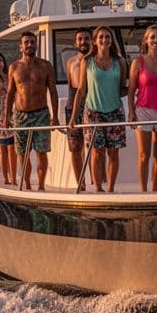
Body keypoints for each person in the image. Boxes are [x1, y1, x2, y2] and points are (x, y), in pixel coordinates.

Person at [68, 26, 127, 192]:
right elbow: (80, 90)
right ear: (95, 40)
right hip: (93, 112)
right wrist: (73, 117)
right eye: (101, 37)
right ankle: (99, 188)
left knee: (113, 153)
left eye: (107, 37)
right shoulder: (87, 61)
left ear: (111, 40)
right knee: (96, 152)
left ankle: (111, 189)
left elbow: (123, 88)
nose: (104, 40)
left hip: (115, 112)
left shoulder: (120, 62)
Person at [5, 31, 59, 191]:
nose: (30, 45)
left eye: (32, 42)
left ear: (36, 45)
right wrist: (6, 116)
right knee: (23, 153)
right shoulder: (14, 67)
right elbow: (10, 93)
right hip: (20, 116)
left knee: (42, 153)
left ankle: (41, 186)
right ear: (20, 46)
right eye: (26, 42)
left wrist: (55, 116)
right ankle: (27, 185)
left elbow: (53, 91)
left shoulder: (46, 65)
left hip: (41, 114)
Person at [128, 24, 157, 192]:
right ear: (146, 40)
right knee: (143, 155)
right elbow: (131, 90)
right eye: (152, 37)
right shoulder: (137, 62)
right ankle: (143, 190)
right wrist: (131, 112)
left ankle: (154, 189)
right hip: (143, 110)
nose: (155, 40)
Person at [63, 29, 93, 191]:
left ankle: (96, 183)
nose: (83, 42)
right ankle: (80, 184)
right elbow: (70, 88)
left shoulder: (96, 61)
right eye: (80, 39)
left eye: (87, 38)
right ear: (75, 43)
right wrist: (71, 112)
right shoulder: (70, 62)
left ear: (92, 41)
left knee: (95, 147)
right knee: (75, 148)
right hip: (73, 106)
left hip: (92, 105)